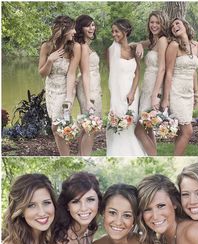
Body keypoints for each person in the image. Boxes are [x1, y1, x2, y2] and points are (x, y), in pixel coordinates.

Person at [39, 16, 80, 156]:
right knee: (57, 128)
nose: (75, 32)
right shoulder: (47, 46)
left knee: (56, 126)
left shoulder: (74, 47)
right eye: (72, 29)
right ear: (64, 29)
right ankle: (65, 155)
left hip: (65, 89)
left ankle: (65, 156)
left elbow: (71, 74)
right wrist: (50, 60)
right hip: (50, 90)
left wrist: (69, 98)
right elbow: (42, 74)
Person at [48, 172, 102, 244]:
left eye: (90, 200)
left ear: (98, 202)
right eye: (76, 201)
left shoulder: (87, 231)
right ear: (67, 206)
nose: (84, 208)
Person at [93, 183, 157, 244]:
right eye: (112, 213)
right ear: (103, 212)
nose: (118, 222)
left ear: (134, 219)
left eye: (127, 215)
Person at [106, 19, 146, 156]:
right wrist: (116, 101)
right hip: (119, 92)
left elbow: (137, 72)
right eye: (112, 31)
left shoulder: (134, 50)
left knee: (132, 125)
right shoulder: (111, 51)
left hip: (133, 92)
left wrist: (133, 92)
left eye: (116, 31)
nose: (114, 34)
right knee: (121, 124)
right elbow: (112, 78)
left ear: (125, 31)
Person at [161, 18, 198, 156]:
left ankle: (176, 157)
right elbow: (169, 72)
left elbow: (194, 71)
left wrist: (196, 94)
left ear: (185, 25)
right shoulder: (173, 46)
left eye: (178, 23)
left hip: (188, 92)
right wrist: (166, 99)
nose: (174, 26)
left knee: (180, 132)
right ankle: (177, 159)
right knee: (188, 131)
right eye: (172, 26)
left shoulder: (196, 45)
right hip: (176, 91)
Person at [134, 11, 169, 155]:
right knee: (147, 128)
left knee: (139, 129)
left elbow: (162, 69)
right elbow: (134, 44)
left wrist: (156, 95)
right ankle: (153, 155)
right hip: (147, 86)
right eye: (152, 22)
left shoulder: (162, 40)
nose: (154, 25)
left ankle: (153, 157)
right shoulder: (153, 40)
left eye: (157, 23)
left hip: (154, 87)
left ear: (163, 24)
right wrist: (139, 45)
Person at [75, 15, 102, 156]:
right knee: (92, 126)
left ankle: (80, 155)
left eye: (93, 25)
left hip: (94, 87)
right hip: (88, 89)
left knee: (87, 127)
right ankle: (85, 156)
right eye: (88, 26)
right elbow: (85, 73)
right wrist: (88, 98)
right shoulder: (83, 47)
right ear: (81, 28)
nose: (92, 28)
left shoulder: (85, 45)